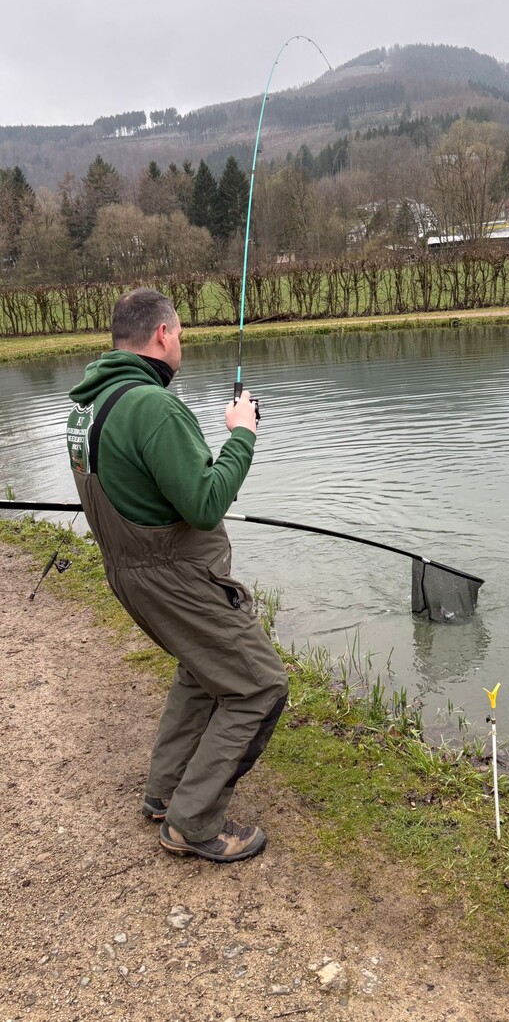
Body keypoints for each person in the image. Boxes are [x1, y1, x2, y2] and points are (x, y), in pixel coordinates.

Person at [66, 287, 289, 864]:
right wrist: (242, 433)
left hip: (130, 575)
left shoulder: (86, 407)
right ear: (162, 334)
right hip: (175, 579)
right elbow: (206, 504)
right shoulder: (153, 407)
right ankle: (193, 822)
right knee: (259, 685)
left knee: (201, 668)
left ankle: (165, 793)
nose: (181, 346)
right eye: (181, 335)